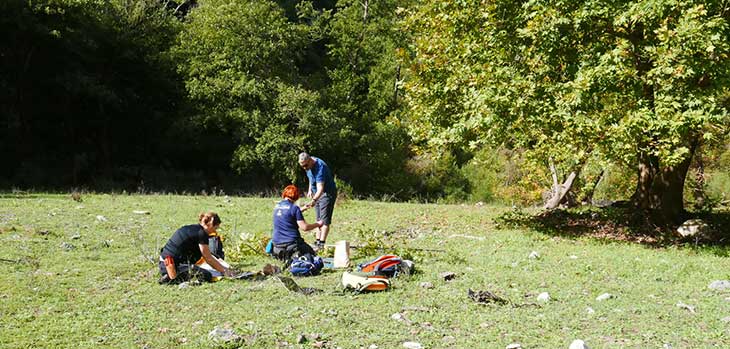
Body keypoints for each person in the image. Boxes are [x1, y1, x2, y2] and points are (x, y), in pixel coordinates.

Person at [158, 212, 234, 284]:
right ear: (210, 224)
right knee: (206, 275)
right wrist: (225, 271)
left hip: (163, 263)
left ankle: (173, 275)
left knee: (200, 269)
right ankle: (172, 278)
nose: (214, 231)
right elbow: (208, 258)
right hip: (172, 266)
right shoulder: (202, 234)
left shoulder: (191, 228)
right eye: (215, 228)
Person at [271, 184, 323, 262]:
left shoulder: (277, 207)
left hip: (277, 246)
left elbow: (288, 214)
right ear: (296, 197)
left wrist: (303, 209)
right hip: (292, 244)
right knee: (312, 255)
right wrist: (318, 224)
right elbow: (304, 227)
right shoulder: (294, 208)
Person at [298, 152, 337, 251]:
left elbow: (321, 188)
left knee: (324, 220)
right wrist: (310, 189)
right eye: (302, 166)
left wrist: (314, 200)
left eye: (306, 165)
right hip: (317, 193)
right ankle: (317, 241)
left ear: (310, 160)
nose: (304, 168)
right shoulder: (308, 166)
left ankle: (321, 244)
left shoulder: (320, 168)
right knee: (318, 218)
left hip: (326, 193)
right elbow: (311, 178)